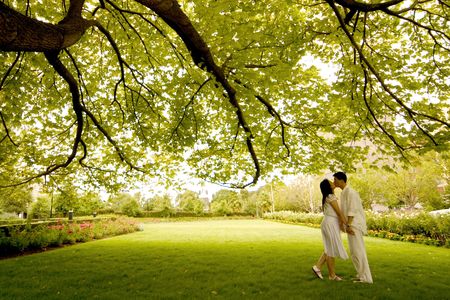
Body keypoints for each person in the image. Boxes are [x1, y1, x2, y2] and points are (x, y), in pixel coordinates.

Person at [333, 171, 373, 284]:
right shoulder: (343, 193)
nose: (334, 182)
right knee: (354, 252)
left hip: (354, 225)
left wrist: (349, 225)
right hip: (350, 225)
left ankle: (366, 278)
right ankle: (361, 275)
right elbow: (344, 211)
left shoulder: (351, 192)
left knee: (358, 251)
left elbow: (352, 210)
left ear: (341, 180)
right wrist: (343, 224)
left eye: (335, 179)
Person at [312, 179, 348, 281]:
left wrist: (341, 223)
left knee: (329, 248)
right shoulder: (330, 197)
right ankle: (332, 276)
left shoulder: (328, 197)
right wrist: (347, 225)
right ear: (328, 186)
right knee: (330, 249)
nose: (333, 182)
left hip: (329, 223)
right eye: (330, 182)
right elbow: (339, 212)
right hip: (330, 224)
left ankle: (317, 267)